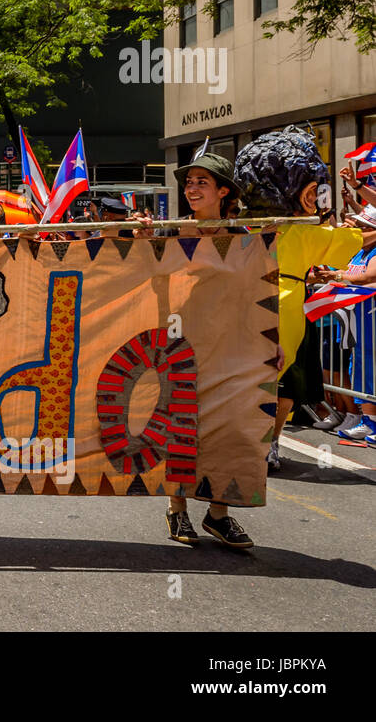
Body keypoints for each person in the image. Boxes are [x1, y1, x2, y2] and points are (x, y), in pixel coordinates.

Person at [234, 129, 362, 505]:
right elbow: (351, 243)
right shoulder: (301, 231)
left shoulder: (247, 227)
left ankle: (252, 442)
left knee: (260, 382)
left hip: (256, 300)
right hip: (283, 303)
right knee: (271, 381)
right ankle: (257, 443)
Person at [162, 152, 254, 547]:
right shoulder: (172, 231)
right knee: (181, 426)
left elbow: (256, 295)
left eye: (202, 181)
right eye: (189, 181)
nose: (193, 187)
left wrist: (273, 340)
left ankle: (219, 514)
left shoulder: (245, 237)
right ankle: (177, 510)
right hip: (180, 341)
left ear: (223, 191)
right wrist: (141, 235)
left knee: (227, 428)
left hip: (230, 345)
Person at [319, 205, 376, 444]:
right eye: (359, 226)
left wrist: (339, 277)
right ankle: (368, 421)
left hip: (371, 320)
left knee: (372, 368)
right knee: (359, 367)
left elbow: (368, 278)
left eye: (365, 227)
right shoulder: (358, 253)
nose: (360, 231)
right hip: (357, 322)